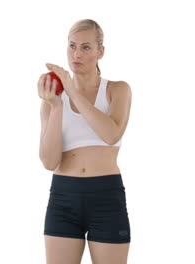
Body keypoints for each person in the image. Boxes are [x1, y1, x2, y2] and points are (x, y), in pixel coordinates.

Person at [37, 19, 132, 264]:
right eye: (72, 46)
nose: (76, 54)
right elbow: (49, 162)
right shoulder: (51, 101)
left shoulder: (117, 90)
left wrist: (72, 90)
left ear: (101, 52)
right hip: (63, 198)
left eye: (86, 47)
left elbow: (111, 134)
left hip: (106, 197)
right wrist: (57, 106)